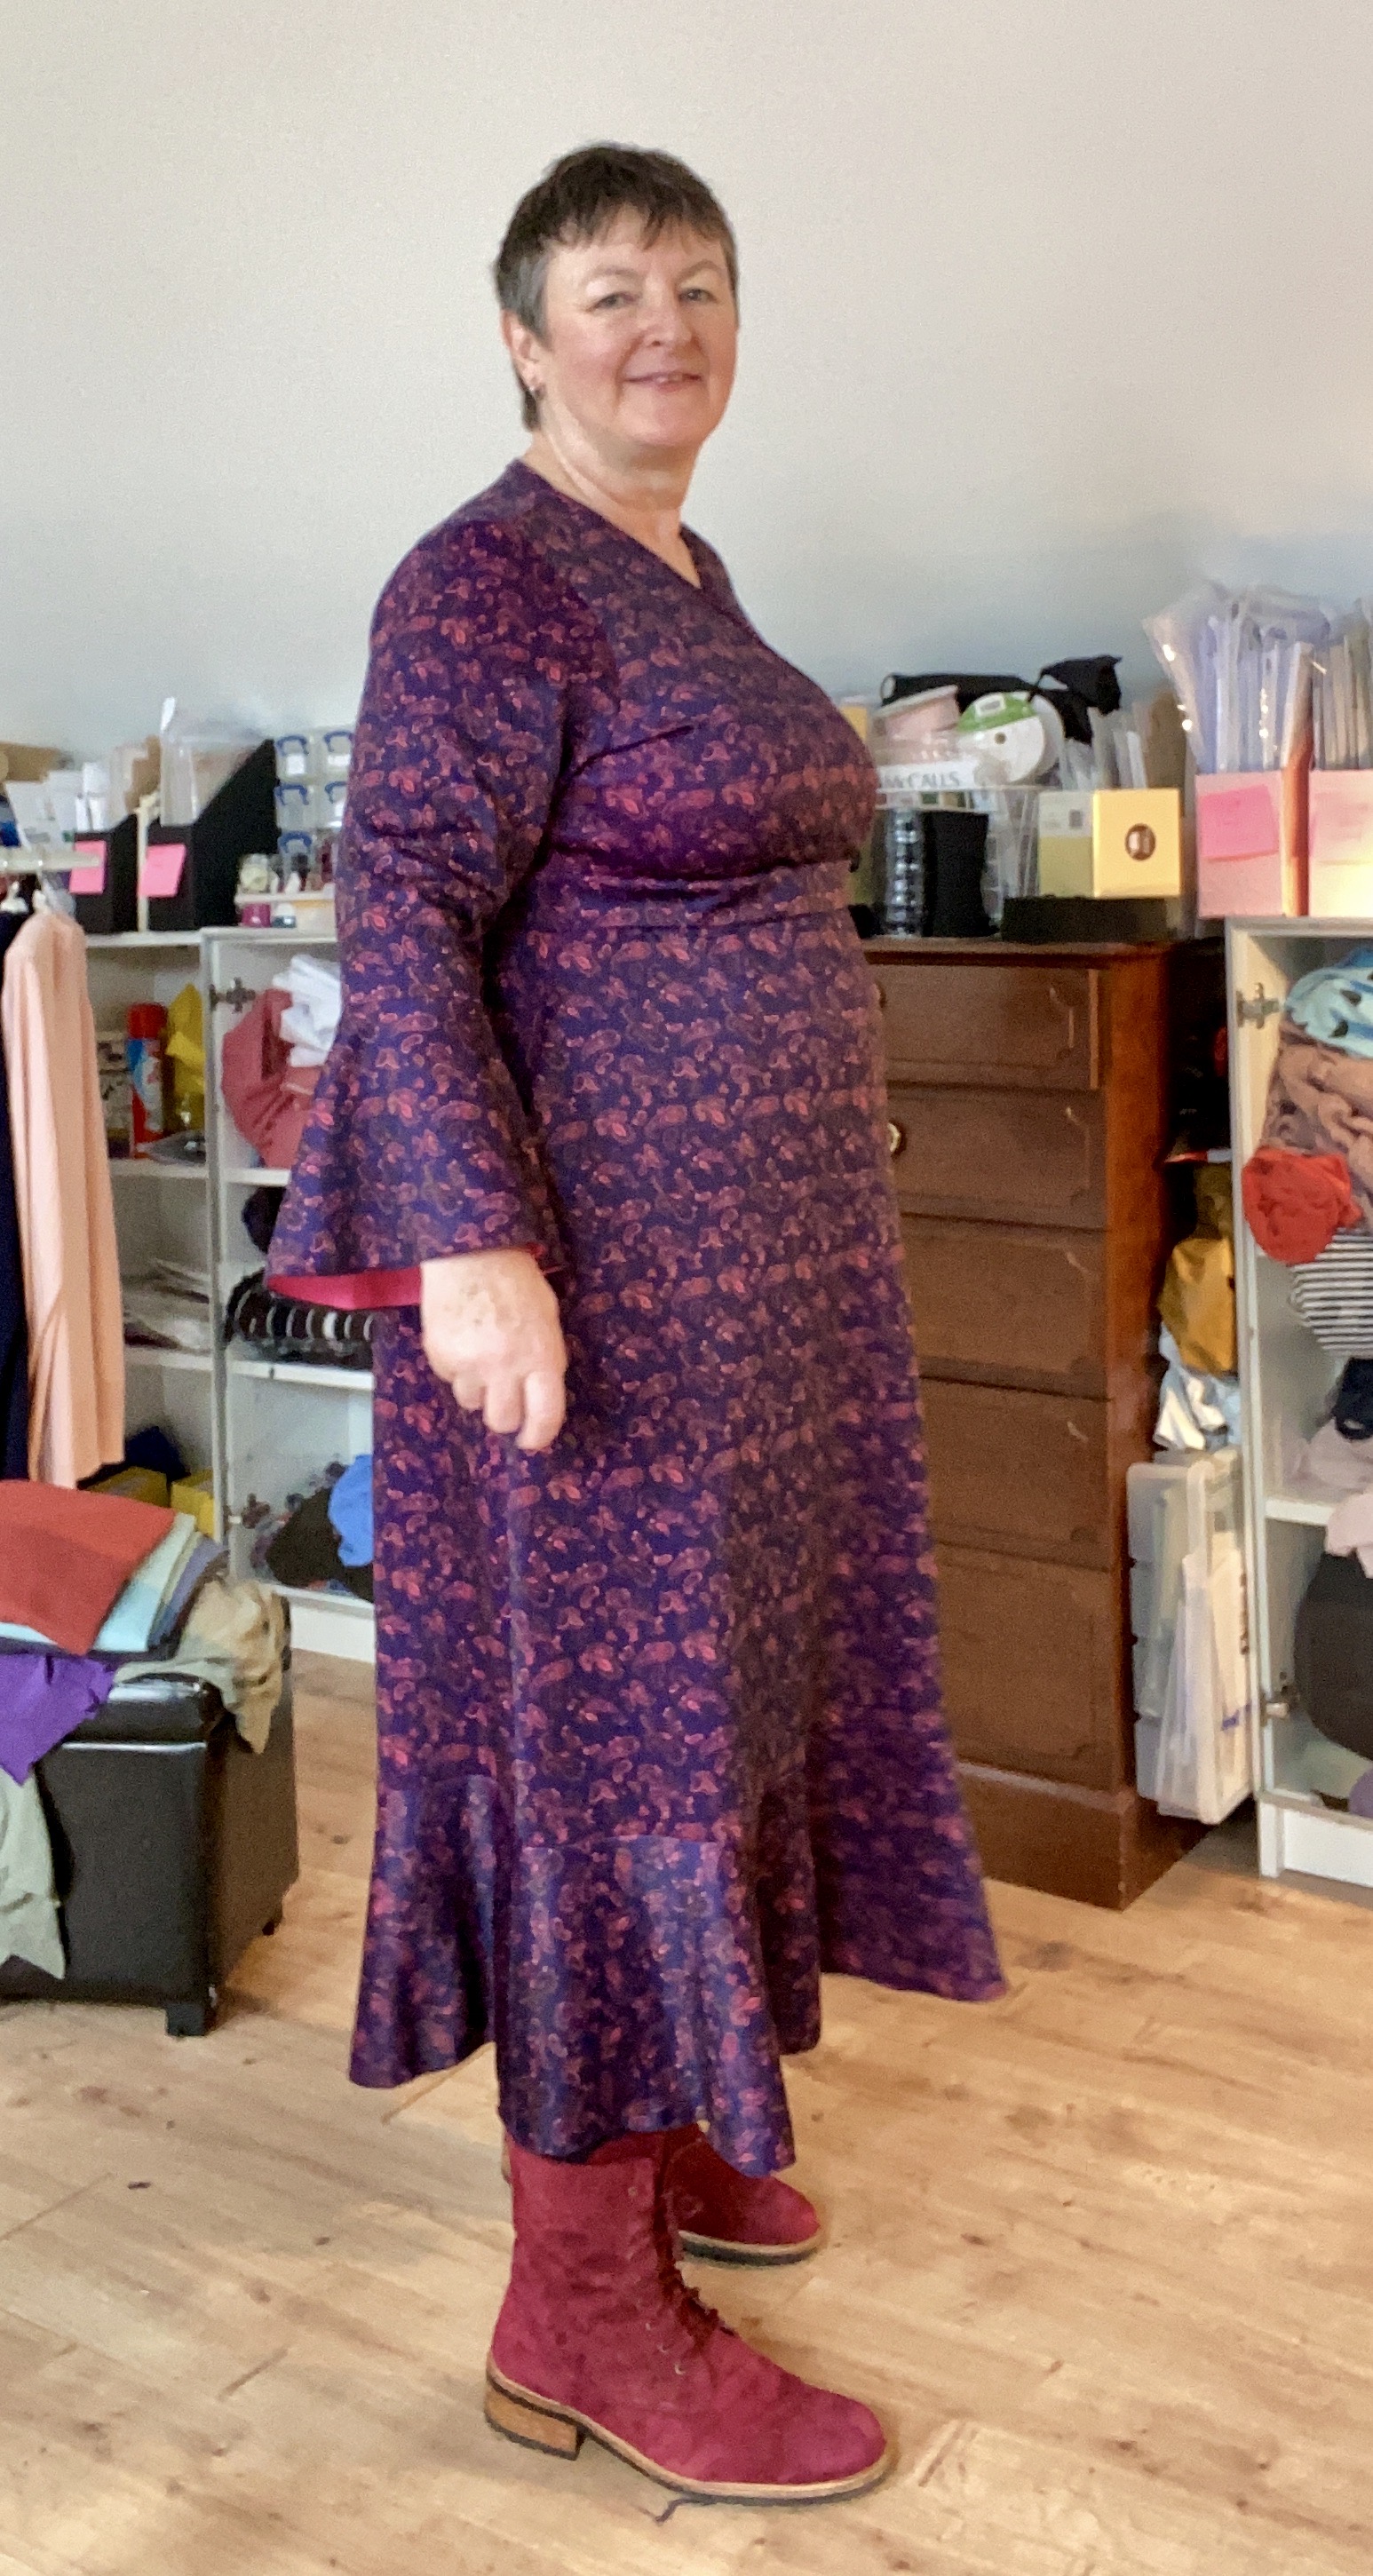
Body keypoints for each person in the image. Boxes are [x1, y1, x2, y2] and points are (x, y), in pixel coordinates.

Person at [271, 141, 1003, 2508]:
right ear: (522, 337)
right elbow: (399, 911)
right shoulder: (480, 582)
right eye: (609, 290)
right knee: (612, 1750)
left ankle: (667, 2114)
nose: (662, 324)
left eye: (697, 283)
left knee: (727, 1702)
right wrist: (473, 1245)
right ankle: (573, 2310)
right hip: (594, 1293)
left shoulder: (683, 572)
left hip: (758, 1296)